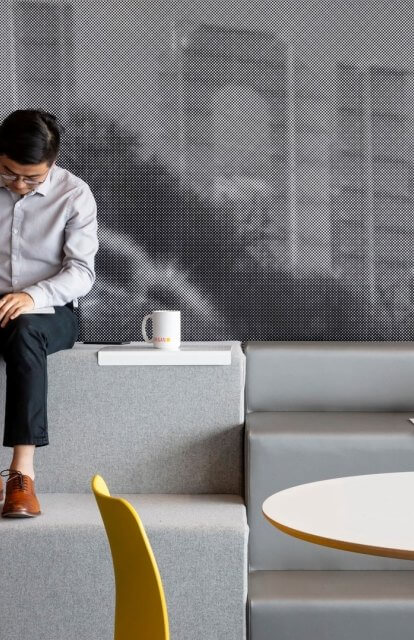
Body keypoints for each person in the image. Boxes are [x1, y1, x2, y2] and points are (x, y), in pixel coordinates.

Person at [0, 109, 99, 517]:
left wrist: (32, 296)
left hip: (51, 312)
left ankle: (22, 476)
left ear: (52, 165)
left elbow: (81, 272)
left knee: (24, 330)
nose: (19, 185)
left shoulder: (75, 196)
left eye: (31, 178)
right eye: (8, 173)